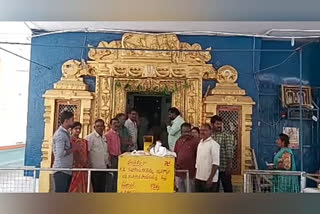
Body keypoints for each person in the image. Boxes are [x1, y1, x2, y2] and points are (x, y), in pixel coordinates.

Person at [52, 110, 77, 192]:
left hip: (66, 169)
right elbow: (60, 153)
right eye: (72, 120)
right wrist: (73, 149)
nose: (73, 122)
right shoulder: (60, 134)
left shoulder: (66, 133)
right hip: (61, 170)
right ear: (66, 121)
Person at [211, 115, 234, 192]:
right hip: (214, 169)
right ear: (212, 124)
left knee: (227, 189)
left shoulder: (226, 135)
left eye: (220, 124)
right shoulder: (210, 136)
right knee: (214, 189)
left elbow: (229, 151)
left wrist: (229, 166)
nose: (219, 126)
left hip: (224, 168)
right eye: (217, 124)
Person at [174, 123, 200, 192]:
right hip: (179, 173)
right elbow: (175, 154)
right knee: (181, 194)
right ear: (181, 132)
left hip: (190, 174)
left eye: (188, 132)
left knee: (189, 194)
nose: (186, 134)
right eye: (184, 132)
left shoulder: (195, 142)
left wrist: (196, 173)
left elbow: (198, 158)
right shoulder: (178, 141)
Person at [85, 119, 109, 192]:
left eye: (101, 126)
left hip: (103, 167)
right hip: (94, 167)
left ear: (104, 127)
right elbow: (87, 151)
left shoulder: (104, 137)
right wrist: (88, 164)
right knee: (96, 189)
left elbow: (105, 152)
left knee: (102, 189)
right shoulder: (90, 138)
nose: (100, 128)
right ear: (94, 127)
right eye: (98, 126)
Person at [195, 124, 220, 192]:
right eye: (201, 130)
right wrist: (196, 175)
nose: (202, 132)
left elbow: (215, 164)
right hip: (199, 178)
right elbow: (198, 162)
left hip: (209, 180)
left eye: (205, 130)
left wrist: (210, 178)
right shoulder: (200, 143)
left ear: (210, 132)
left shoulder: (214, 145)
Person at [69, 122, 90, 193]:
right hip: (74, 167)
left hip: (84, 168)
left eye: (79, 129)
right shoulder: (69, 141)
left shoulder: (84, 142)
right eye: (76, 129)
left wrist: (86, 164)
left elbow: (87, 154)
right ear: (71, 130)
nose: (78, 130)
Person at [105, 118, 121, 192]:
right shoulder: (108, 134)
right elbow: (107, 147)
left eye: (117, 123)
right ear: (110, 125)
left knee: (116, 176)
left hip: (118, 157)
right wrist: (108, 159)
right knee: (111, 176)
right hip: (112, 157)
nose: (116, 125)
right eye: (114, 123)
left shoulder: (117, 134)